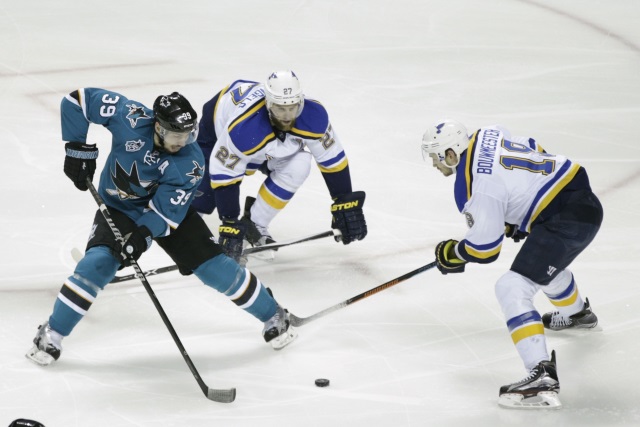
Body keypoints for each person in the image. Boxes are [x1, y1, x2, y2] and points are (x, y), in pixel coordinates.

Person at [26, 88, 298, 367]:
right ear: (158, 126)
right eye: (176, 135)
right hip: (120, 208)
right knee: (97, 264)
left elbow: (165, 213)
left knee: (215, 266)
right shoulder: (129, 116)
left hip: (165, 213)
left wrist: (140, 238)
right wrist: (76, 149)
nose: (183, 141)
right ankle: (52, 332)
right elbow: (77, 100)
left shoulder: (191, 162)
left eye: (188, 134)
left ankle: (273, 313)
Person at [420, 120, 603, 409]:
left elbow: (485, 248)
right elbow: (534, 148)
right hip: (581, 200)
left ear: (452, 154)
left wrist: (453, 253)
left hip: (565, 219)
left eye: (436, 156)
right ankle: (579, 315)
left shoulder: (471, 186)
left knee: (511, 287)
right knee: (545, 269)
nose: (434, 164)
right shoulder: (487, 134)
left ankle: (541, 374)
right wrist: (521, 209)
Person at [192, 70, 367, 263]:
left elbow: (332, 157)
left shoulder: (313, 117)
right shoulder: (244, 128)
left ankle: (254, 226)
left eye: (292, 108)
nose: (287, 116)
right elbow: (225, 172)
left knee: (299, 165)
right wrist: (230, 222)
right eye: (280, 109)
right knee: (201, 202)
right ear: (268, 104)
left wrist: (343, 201)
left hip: (265, 140)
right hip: (217, 130)